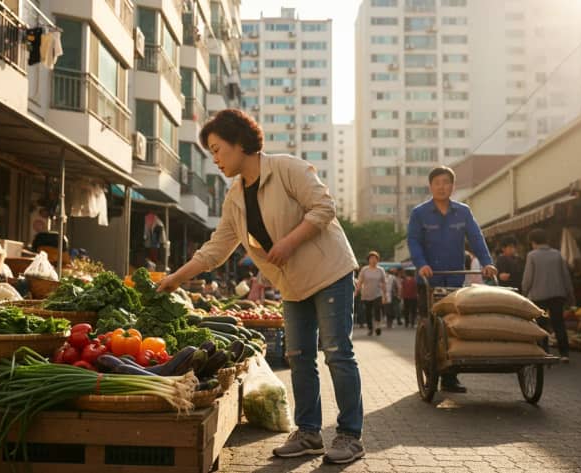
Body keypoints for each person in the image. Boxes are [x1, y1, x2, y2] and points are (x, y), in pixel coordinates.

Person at [156, 110, 364, 464]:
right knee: (299, 358)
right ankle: (309, 433)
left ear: (240, 143)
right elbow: (216, 250)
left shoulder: (286, 168)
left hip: (329, 272)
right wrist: (173, 279)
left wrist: (289, 243)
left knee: (336, 352)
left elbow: (323, 207)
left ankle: (349, 436)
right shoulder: (235, 198)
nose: (216, 158)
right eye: (212, 152)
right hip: (293, 284)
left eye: (218, 149)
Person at [407, 166, 497, 393]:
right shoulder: (420, 213)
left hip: (455, 278)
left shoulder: (463, 212)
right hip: (429, 278)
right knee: (431, 325)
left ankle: (450, 377)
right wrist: (421, 264)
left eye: (446, 182)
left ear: (452, 186)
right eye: (437, 182)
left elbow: (476, 238)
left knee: (453, 326)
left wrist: (487, 262)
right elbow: (414, 242)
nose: (441, 186)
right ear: (431, 186)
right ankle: (430, 370)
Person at [522, 228, 574, 363]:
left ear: (533, 242)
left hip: (539, 296)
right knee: (559, 323)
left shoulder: (532, 255)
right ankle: (564, 353)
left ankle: (544, 352)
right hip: (558, 295)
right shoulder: (557, 254)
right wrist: (570, 293)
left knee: (541, 325)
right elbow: (566, 276)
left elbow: (528, 278)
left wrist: (524, 293)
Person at [355, 251, 387, 336]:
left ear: (378, 260)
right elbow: (360, 282)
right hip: (366, 294)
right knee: (368, 312)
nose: (373, 260)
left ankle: (377, 326)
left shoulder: (381, 270)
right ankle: (370, 328)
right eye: (371, 258)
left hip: (377, 294)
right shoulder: (364, 270)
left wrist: (385, 295)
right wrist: (356, 291)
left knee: (377, 310)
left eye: (375, 258)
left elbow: (384, 283)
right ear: (368, 260)